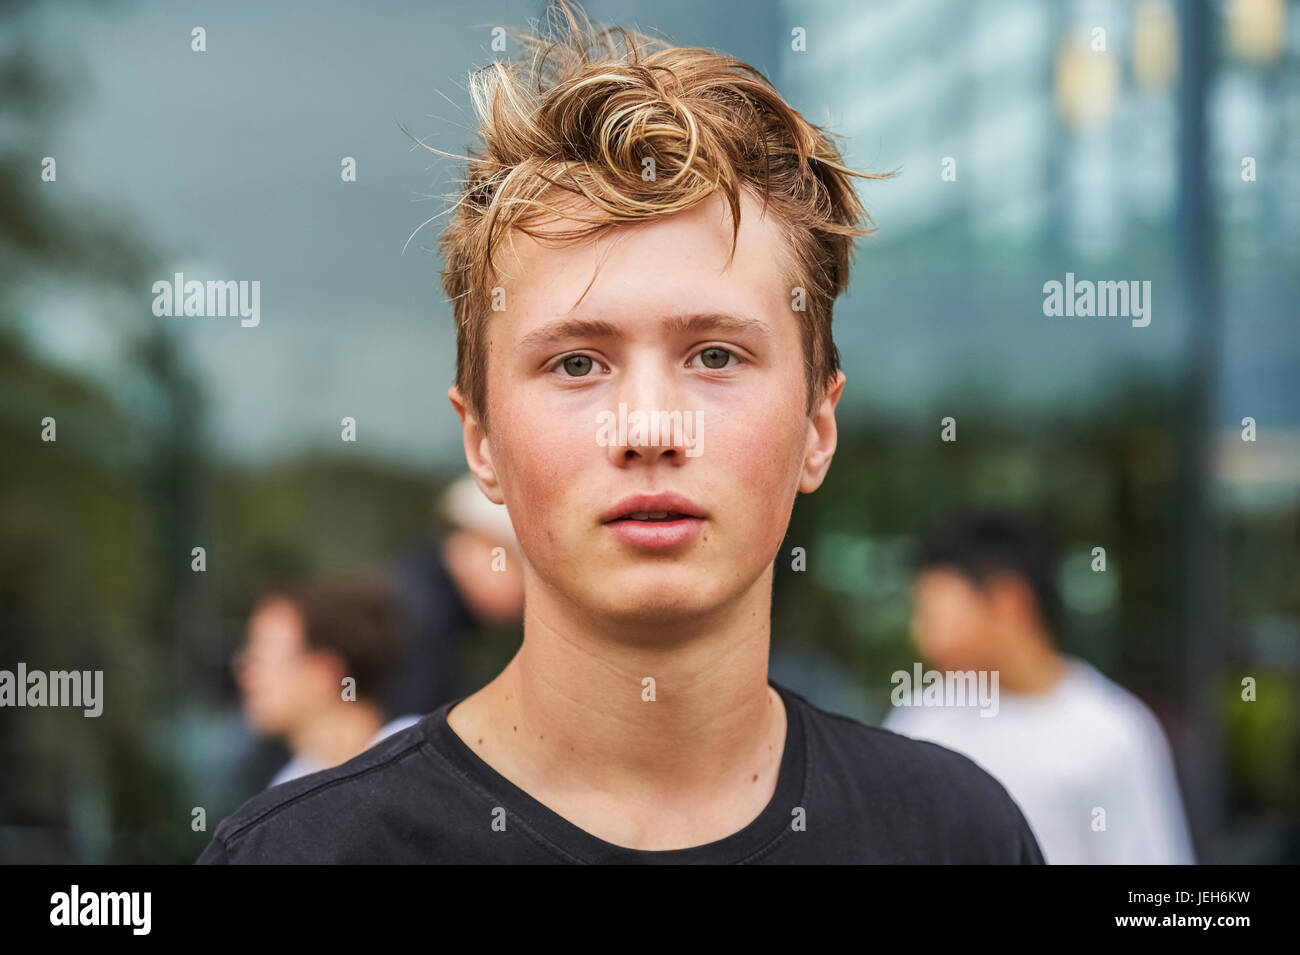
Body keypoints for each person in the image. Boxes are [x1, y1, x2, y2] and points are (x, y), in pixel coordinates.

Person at [198, 0, 1043, 863]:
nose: (650, 426)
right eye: (575, 363)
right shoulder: (306, 856)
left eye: (715, 355)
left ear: (817, 426)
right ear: (481, 440)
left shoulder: (955, 835)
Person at [884, 509, 1197, 864]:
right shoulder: (923, 718)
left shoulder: (1111, 731)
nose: (924, 637)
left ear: (1008, 602)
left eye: (936, 615)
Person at [233, 575, 419, 788]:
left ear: (322, 674)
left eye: (260, 657)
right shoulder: (288, 787)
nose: (243, 670)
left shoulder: (421, 757)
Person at [383, 473, 525, 718]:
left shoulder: (419, 601)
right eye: (521, 566)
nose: (529, 593)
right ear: (475, 544)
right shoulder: (423, 621)